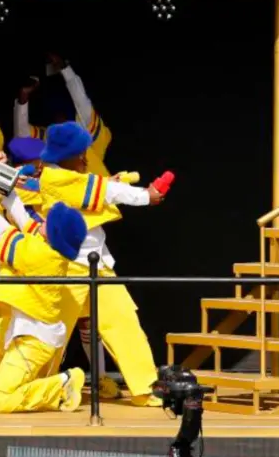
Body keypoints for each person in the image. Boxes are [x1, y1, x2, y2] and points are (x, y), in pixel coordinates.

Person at [10, 124, 164, 407]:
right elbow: (103, 190)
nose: (84, 159)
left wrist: (113, 183)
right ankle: (32, 390)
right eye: (80, 154)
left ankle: (145, 387)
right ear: (65, 155)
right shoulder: (55, 178)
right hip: (68, 269)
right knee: (50, 337)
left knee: (124, 322)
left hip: (98, 267)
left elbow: (98, 189)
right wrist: (146, 196)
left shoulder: (70, 177)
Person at [0, 167, 88, 413]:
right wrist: (3, 188)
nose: (41, 220)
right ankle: (43, 387)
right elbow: (24, 219)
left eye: (47, 222)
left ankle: (62, 384)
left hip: (34, 340)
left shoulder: (39, 255)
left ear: (52, 234)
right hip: (30, 334)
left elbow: (4, 230)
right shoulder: (49, 246)